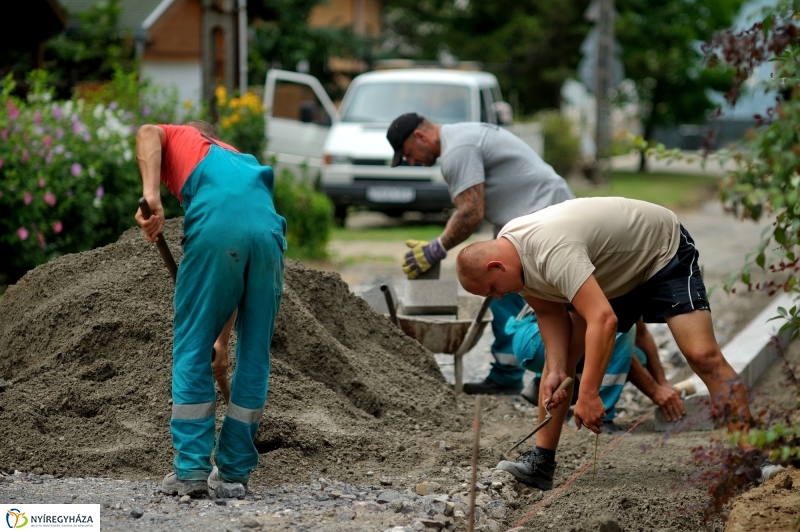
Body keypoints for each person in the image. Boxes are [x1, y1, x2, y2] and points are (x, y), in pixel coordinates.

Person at [455, 196, 786, 490]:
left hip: (660, 251)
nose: (499, 297)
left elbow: (604, 320)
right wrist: (555, 369)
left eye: (492, 290)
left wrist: (588, 395)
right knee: (560, 367)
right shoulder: (515, 263)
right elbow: (548, 314)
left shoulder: (551, 251)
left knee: (702, 355)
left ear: (496, 266)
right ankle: (542, 462)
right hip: (609, 272)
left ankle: (752, 458)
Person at [135, 120, 287, 496]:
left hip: (219, 226)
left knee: (190, 344)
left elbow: (146, 132)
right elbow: (231, 284)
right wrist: (223, 342)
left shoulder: (182, 137)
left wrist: (151, 196)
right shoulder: (239, 159)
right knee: (254, 353)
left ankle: (191, 471)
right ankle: (235, 472)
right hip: (268, 235)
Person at [386, 112, 574, 395]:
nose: (412, 162)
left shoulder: (456, 151)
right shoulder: (461, 135)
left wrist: (436, 248)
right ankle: (514, 374)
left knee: (541, 299)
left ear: (421, 137)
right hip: (536, 216)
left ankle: (555, 374)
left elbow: (471, 212)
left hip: (545, 219)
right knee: (506, 296)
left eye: (409, 154)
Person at [509, 309, 686, 432]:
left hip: (538, 337)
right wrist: (655, 392)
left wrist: (663, 383)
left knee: (638, 355)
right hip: (534, 337)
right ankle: (597, 418)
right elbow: (611, 334)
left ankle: (545, 384)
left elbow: (642, 335)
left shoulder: (634, 276)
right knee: (620, 328)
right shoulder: (617, 273)